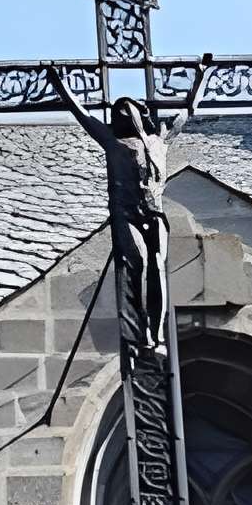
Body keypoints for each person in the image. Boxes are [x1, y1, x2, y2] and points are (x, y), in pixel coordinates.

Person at [45, 56, 213, 354]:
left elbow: (187, 111)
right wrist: (59, 83)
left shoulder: (159, 141)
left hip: (155, 215)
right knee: (140, 263)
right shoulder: (112, 141)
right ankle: (139, 333)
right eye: (119, 110)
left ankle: (155, 333)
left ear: (138, 112)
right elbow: (81, 114)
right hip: (127, 216)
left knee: (158, 267)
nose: (122, 111)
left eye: (127, 107)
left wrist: (201, 76)